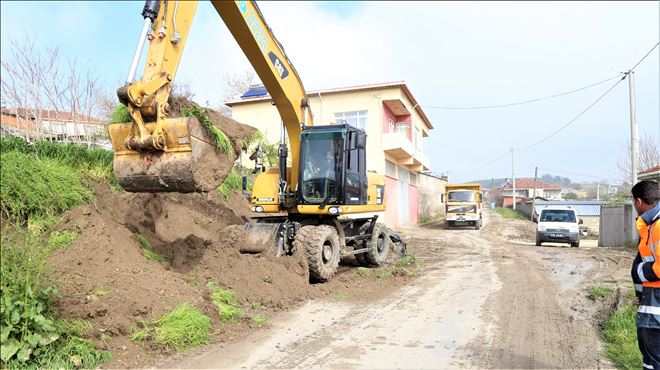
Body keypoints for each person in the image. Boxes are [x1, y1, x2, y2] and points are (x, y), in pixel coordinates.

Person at [631, 180, 660, 369]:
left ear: (639, 201)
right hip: (651, 301)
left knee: (654, 360)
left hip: (656, 306)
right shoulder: (650, 225)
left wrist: (639, 271)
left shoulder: (657, 226)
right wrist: (640, 294)